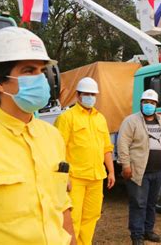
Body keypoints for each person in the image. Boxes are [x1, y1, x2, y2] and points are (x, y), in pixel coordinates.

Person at [0, 27, 75, 244]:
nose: (40, 79)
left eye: (42, 71)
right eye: (29, 71)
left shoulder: (52, 136)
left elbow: (61, 206)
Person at [54, 77, 115, 245]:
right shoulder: (66, 118)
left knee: (91, 217)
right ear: (78, 95)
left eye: (93, 94)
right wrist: (63, 177)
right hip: (75, 179)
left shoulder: (100, 118)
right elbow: (58, 149)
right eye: (86, 94)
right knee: (73, 218)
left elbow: (106, 148)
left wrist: (111, 171)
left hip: (96, 178)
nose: (90, 97)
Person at [117, 89, 161, 245]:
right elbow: (123, 144)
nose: (149, 105)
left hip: (157, 171)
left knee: (151, 203)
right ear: (141, 103)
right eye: (146, 102)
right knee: (138, 203)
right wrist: (125, 165)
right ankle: (137, 235)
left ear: (156, 105)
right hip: (138, 172)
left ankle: (148, 231)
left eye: (152, 103)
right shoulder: (131, 121)